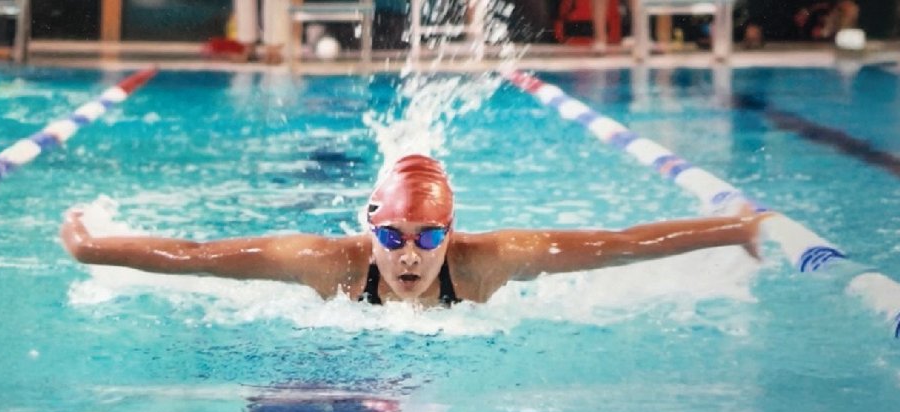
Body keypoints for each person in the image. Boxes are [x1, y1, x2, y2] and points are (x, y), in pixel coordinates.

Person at [59, 154, 771, 308]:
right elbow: (196, 257)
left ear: (451, 236)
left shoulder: (491, 260)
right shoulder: (326, 264)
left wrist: (735, 229)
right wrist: (90, 247)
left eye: (428, 240)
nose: (408, 255)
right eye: (394, 237)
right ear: (368, 232)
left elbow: (623, 244)